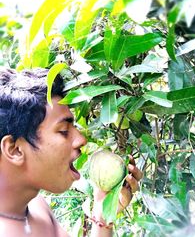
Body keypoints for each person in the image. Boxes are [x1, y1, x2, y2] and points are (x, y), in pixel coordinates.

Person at [0, 67, 143, 237]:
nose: (82, 139)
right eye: (63, 130)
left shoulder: (36, 207)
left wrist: (103, 213)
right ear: (15, 150)